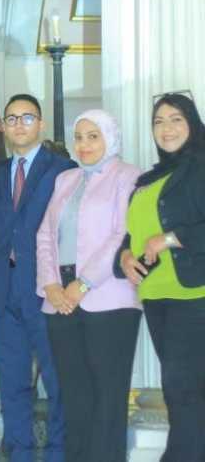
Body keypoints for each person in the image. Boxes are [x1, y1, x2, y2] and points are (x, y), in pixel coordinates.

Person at [34, 110, 141, 462]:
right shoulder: (65, 179)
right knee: (74, 397)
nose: (84, 145)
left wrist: (82, 283)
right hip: (60, 300)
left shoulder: (128, 176)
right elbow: (45, 235)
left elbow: (122, 234)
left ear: (110, 138)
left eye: (93, 136)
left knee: (107, 397)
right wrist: (50, 285)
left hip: (109, 300)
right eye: (78, 137)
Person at [0, 94, 73, 462]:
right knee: (13, 383)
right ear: (4, 126)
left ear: (40, 124)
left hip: (47, 289)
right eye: (12, 118)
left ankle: (60, 453)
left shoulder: (62, 169)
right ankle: (20, 453)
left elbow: (70, 232)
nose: (19, 125)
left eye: (27, 117)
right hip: (3, 292)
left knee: (57, 380)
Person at [116, 93, 205, 462]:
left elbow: (170, 233)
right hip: (156, 295)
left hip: (193, 294)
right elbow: (134, 233)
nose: (166, 128)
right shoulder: (149, 178)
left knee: (183, 389)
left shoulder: (200, 165)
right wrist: (124, 255)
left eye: (176, 119)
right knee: (181, 391)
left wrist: (168, 239)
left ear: (192, 124)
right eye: (158, 121)